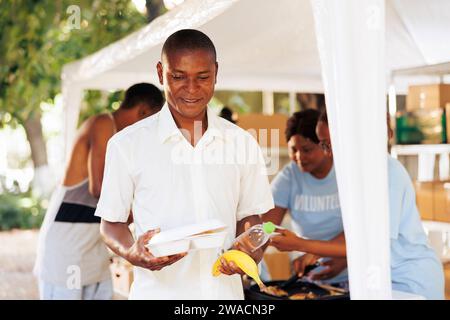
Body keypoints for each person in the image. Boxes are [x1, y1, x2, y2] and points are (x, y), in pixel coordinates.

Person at [95, 29, 274, 300]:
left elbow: (254, 220)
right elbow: (111, 224)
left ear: (216, 72)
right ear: (160, 73)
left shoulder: (242, 143)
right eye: (178, 77)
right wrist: (131, 252)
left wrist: (250, 249)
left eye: (203, 77)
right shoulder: (126, 144)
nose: (191, 89)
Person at [271, 109, 445, 299]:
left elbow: (367, 242)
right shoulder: (359, 175)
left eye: (331, 144)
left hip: (410, 283)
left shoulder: (388, 172)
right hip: (378, 282)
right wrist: (316, 252)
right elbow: (356, 232)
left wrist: (302, 244)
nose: (329, 154)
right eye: (324, 145)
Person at [34, 83, 164, 300]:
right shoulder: (104, 123)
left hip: (94, 251)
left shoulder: (126, 144)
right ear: (143, 112)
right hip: (67, 247)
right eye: (153, 119)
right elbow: (99, 188)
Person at [262, 109, 348, 285]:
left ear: (325, 145)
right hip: (308, 278)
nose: (299, 157)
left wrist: (344, 258)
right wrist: (270, 233)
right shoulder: (289, 177)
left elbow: (360, 228)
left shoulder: (346, 173)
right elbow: (267, 225)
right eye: (294, 150)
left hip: (352, 273)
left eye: (307, 149)